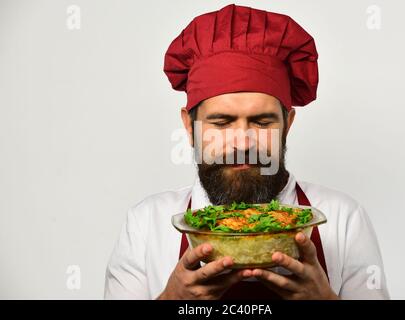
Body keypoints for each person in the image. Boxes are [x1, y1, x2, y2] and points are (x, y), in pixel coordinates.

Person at [104, 4, 389, 300]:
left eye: (262, 121)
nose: (242, 142)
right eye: (222, 122)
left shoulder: (343, 219)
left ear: (287, 125)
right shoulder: (146, 224)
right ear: (189, 126)